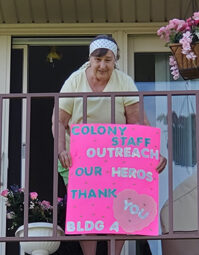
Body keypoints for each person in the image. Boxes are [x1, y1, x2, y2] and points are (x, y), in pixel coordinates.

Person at [51, 34, 167, 255]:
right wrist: (61, 150)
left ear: (115, 61)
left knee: (120, 206)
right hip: (79, 157)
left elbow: (137, 121)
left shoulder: (123, 81)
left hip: (116, 156)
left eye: (108, 60)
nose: (102, 65)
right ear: (90, 59)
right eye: (98, 59)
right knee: (87, 210)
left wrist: (153, 152)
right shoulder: (75, 81)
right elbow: (58, 119)